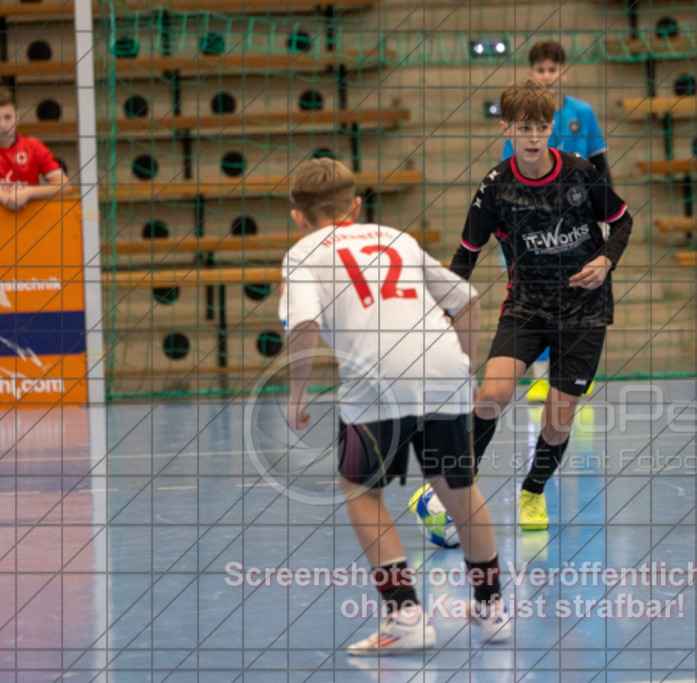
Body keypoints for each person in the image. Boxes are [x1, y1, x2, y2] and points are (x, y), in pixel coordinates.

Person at [280, 158, 511, 654]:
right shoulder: (394, 237)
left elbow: (303, 327)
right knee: (458, 486)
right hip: (442, 364)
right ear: (356, 206)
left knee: (360, 488)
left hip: (377, 379)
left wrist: (296, 392)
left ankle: (405, 613)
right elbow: (466, 300)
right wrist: (465, 370)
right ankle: (492, 608)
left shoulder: (302, 253)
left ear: (298, 217)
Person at [451, 80, 633, 531]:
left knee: (556, 421)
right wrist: (440, 308)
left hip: (585, 312)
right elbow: (465, 256)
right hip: (526, 309)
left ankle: (532, 491)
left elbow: (623, 221)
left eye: (542, 126)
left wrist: (606, 260)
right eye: (524, 127)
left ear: (552, 127)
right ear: (506, 128)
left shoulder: (580, 174)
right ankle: (458, 484)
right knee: (491, 395)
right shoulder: (494, 188)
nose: (534, 136)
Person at [502, 41, 613, 402]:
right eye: (541, 70)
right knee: (537, 297)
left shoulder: (583, 112)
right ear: (532, 73)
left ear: (564, 72)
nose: (548, 76)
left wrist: (606, 215)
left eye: (554, 69)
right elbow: (510, 175)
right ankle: (538, 376)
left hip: (578, 224)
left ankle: (574, 374)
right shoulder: (523, 121)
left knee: (580, 295)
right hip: (536, 225)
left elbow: (600, 166)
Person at [0, 87, 69, 211]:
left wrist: (29, 192)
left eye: (8, 117)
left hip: (29, 222)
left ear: (17, 116)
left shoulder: (33, 146)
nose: (3, 125)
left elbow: (65, 185)